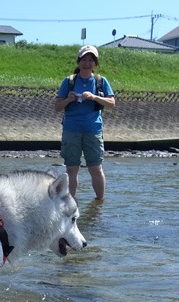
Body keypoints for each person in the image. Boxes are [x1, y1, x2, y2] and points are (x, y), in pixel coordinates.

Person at [55, 45, 115, 200]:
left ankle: (99, 203)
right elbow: (57, 107)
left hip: (93, 130)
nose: (87, 63)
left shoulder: (101, 81)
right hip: (71, 130)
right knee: (72, 169)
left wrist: (94, 97)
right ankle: (70, 203)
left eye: (90, 60)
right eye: (84, 60)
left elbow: (111, 103)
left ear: (95, 63)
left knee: (96, 168)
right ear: (79, 61)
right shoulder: (69, 81)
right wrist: (68, 99)